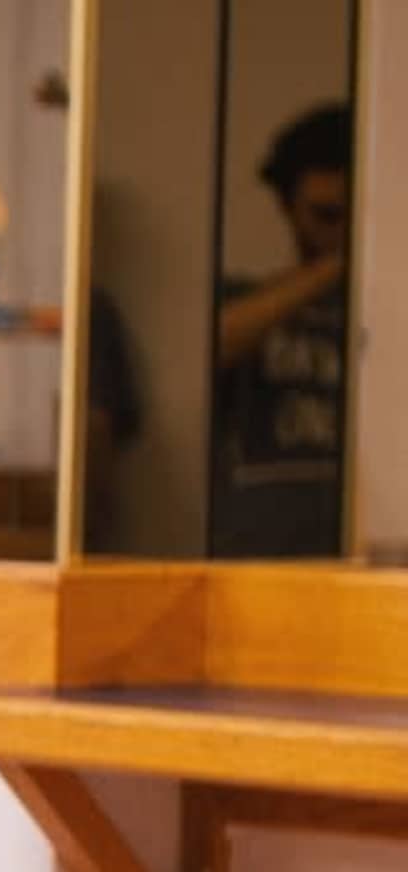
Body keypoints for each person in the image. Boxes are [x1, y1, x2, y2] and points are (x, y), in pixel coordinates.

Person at [214, 99, 352, 559]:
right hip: (260, 551)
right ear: (288, 209)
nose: (340, 233)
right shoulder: (247, 297)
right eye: (326, 216)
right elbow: (212, 345)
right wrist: (335, 269)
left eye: (354, 218)